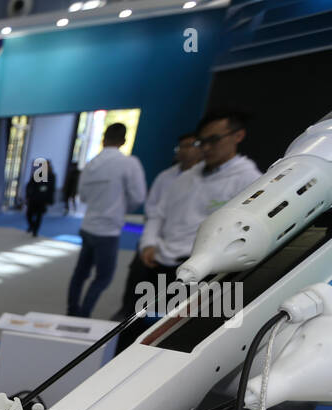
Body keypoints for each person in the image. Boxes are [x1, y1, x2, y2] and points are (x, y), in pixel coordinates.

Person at [117, 110, 262, 350]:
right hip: (160, 264)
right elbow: (158, 213)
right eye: (201, 142)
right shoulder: (184, 178)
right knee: (137, 329)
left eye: (214, 140)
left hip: (200, 275)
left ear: (238, 136)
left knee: (174, 339)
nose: (206, 148)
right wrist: (149, 243)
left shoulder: (248, 180)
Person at [109, 131, 200, 325]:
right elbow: (153, 210)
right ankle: (128, 313)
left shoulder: (208, 180)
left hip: (187, 250)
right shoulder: (166, 177)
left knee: (173, 297)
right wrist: (150, 242)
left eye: (190, 145)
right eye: (182, 146)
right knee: (138, 276)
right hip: (156, 240)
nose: (185, 151)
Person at [65, 123, 146, 318]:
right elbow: (138, 197)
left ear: (104, 139)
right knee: (104, 277)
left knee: (80, 273)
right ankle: (84, 313)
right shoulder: (129, 163)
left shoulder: (91, 164)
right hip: (108, 230)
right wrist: (120, 206)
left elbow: (82, 196)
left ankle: (72, 310)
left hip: (88, 226)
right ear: (124, 140)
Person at [23, 157, 55, 237]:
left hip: (43, 199)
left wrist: (49, 200)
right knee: (29, 214)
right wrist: (28, 195)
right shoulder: (37, 174)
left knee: (39, 215)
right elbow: (30, 185)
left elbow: (51, 189)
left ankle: (35, 231)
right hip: (34, 198)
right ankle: (32, 225)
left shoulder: (51, 176)